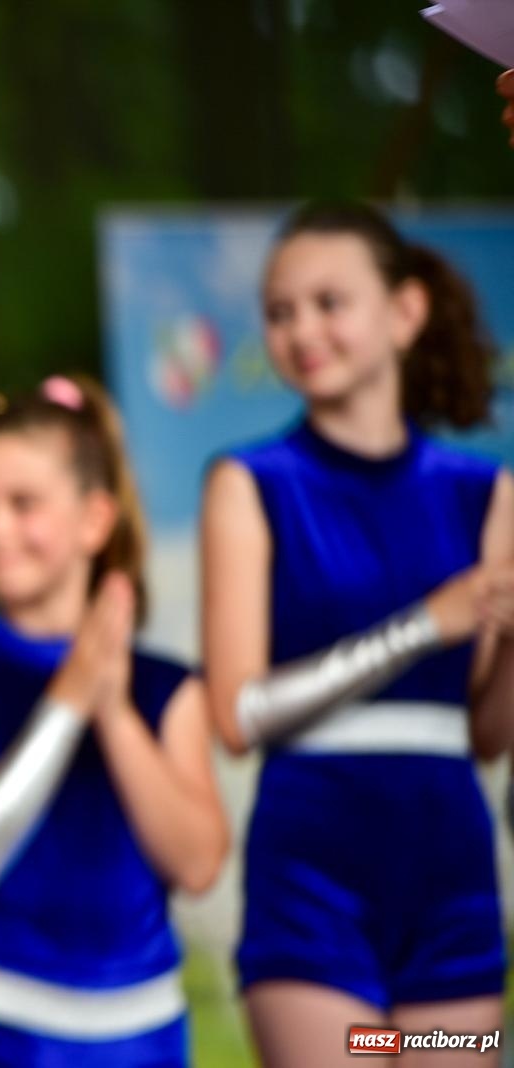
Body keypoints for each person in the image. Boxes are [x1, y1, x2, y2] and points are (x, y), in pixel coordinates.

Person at [201, 202, 514, 1067]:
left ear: (404, 312)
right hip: (311, 885)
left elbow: (487, 734)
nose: (303, 331)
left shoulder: (485, 493)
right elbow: (236, 716)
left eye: (329, 303)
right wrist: (423, 626)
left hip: (453, 885)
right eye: (280, 311)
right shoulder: (251, 483)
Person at [0, 374, 228, 1066]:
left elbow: (199, 865)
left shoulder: (168, 688)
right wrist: (67, 704)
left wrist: (113, 709)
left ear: (95, 521)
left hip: (144, 1034)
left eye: (23, 504)